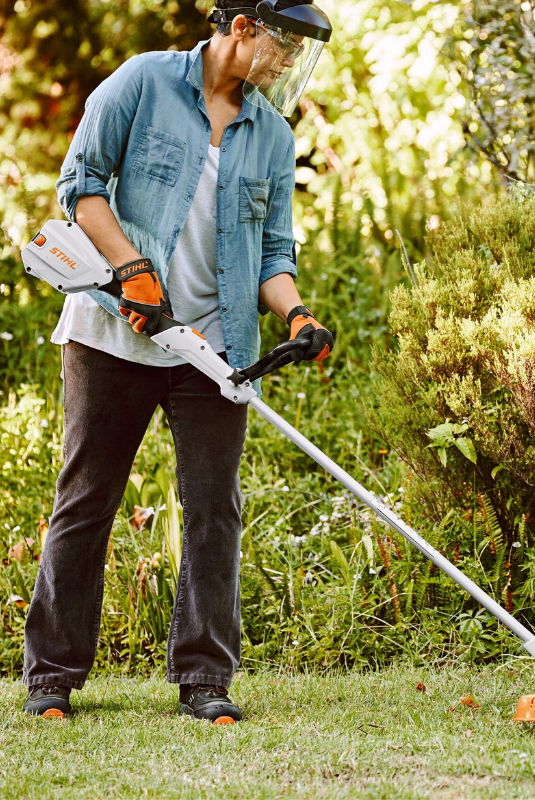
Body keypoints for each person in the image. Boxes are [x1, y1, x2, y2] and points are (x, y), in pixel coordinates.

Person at [22, 0, 334, 723]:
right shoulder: (143, 82)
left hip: (215, 347)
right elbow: (81, 184)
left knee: (213, 510)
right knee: (87, 498)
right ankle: (53, 679)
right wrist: (131, 269)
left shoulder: (273, 136)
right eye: (283, 49)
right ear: (241, 28)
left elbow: (273, 253)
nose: (288, 67)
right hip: (115, 333)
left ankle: (204, 679)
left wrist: (297, 313)